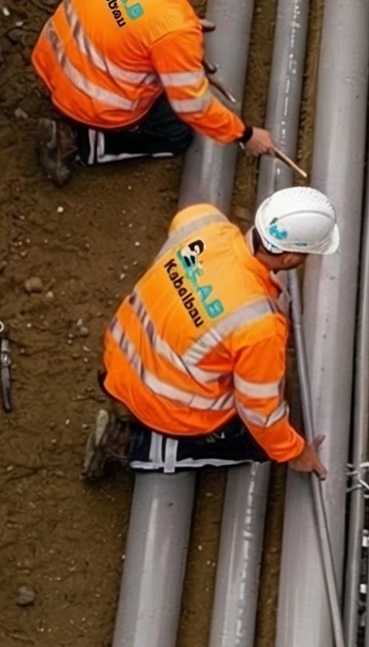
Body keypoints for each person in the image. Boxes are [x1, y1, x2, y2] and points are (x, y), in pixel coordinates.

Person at [83, 185, 339, 480]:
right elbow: (259, 412)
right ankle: (132, 446)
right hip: (161, 401)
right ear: (288, 258)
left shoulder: (204, 221)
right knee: (258, 444)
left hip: (120, 356)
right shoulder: (258, 324)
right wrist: (294, 451)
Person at [32, 0, 281, 185]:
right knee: (177, 133)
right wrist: (246, 135)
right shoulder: (174, 28)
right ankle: (83, 144)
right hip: (86, 100)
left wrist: (152, 22)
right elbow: (193, 107)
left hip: (50, 56)